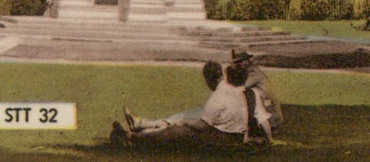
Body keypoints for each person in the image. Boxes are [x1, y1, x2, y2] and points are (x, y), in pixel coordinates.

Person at [112, 63, 271, 148]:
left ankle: (132, 137)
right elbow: (261, 120)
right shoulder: (248, 93)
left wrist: (185, 123)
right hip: (234, 136)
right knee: (180, 124)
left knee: (175, 130)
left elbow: (202, 126)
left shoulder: (220, 95)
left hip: (220, 138)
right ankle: (139, 129)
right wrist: (269, 141)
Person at [122, 61, 223, 133]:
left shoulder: (218, 94)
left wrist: (185, 122)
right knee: (179, 118)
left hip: (211, 124)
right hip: (212, 119)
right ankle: (140, 124)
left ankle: (140, 126)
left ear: (209, 80)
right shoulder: (225, 88)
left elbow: (202, 124)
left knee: (178, 120)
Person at [232, 49, 283, 134]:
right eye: (238, 62)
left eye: (242, 61)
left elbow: (243, 87)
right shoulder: (249, 70)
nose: (240, 64)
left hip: (269, 109)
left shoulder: (253, 72)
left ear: (248, 60)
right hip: (265, 103)